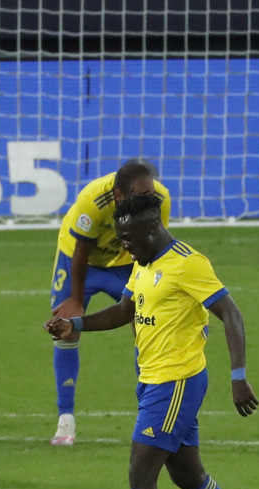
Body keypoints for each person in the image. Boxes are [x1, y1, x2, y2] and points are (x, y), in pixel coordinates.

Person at [44, 192, 259, 489]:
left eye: (128, 239)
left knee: (140, 471)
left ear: (151, 227)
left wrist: (239, 377)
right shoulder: (142, 263)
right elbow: (123, 311)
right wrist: (75, 324)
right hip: (152, 381)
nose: (124, 247)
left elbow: (231, 313)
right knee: (188, 475)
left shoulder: (188, 263)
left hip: (176, 383)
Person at [48, 159, 171, 446]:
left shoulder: (161, 200)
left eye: (150, 194)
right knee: (66, 328)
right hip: (79, 259)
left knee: (146, 326)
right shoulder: (92, 201)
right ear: (119, 195)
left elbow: (155, 246)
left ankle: (150, 414)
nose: (149, 201)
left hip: (125, 260)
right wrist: (76, 300)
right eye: (141, 196)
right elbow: (81, 252)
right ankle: (65, 420)